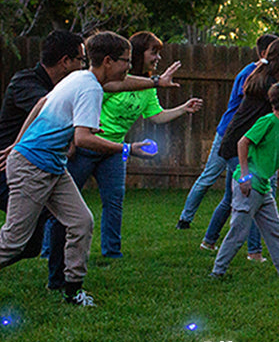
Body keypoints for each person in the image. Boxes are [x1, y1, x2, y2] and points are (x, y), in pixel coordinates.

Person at [0, 31, 179, 306]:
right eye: (125, 61)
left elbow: (41, 104)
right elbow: (83, 138)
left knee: (81, 222)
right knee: (14, 241)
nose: (129, 66)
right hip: (32, 167)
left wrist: (18, 142)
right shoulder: (90, 88)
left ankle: (73, 291)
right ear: (108, 61)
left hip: (53, 166)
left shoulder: (80, 77)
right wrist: (128, 149)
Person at [45, 31, 202, 288]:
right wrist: (72, 141)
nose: (158, 57)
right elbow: (87, 105)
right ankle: (49, 251)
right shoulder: (99, 83)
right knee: (63, 204)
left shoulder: (145, 87)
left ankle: (111, 252)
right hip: (86, 146)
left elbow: (156, 116)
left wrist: (183, 108)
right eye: (153, 52)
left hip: (115, 150)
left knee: (114, 200)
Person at [176, 33, 278, 264]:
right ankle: (187, 220)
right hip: (231, 137)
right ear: (265, 53)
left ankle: (209, 240)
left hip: (243, 139)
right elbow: (263, 100)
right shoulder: (252, 75)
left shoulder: (263, 75)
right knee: (238, 187)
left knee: (232, 195)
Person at [210, 81, 279, 278]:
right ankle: (217, 272)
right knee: (238, 233)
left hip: (263, 188)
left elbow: (277, 161)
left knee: (275, 229)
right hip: (249, 187)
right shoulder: (268, 121)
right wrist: (244, 176)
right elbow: (242, 142)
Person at [0, 31, 86, 261]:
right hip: (9, 166)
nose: (83, 67)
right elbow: (47, 107)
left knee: (31, 244)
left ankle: (61, 278)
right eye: (81, 60)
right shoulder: (25, 82)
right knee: (16, 241)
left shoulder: (62, 87)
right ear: (65, 61)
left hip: (40, 165)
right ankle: (60, 277)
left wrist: (155, 82)